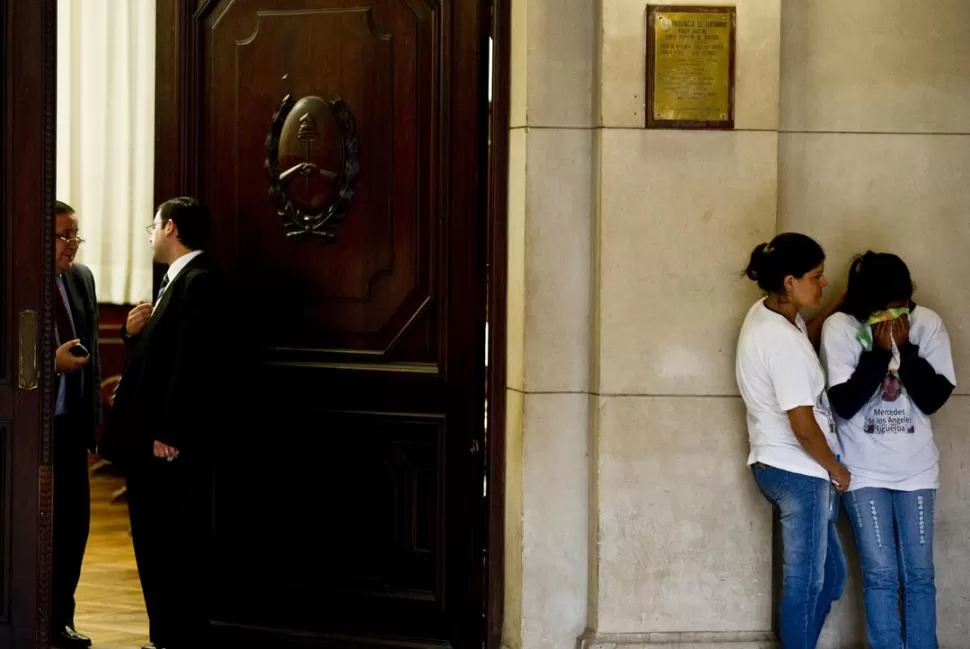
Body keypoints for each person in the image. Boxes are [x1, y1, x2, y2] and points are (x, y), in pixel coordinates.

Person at [101, 197, 226, 649]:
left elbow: (192, 366)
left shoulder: (199, 283)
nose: (150, 233)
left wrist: (169, 432)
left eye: (153, 225)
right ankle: (164, 636)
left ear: (170, 227)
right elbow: (163, 358)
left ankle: (172, 638)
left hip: (167, 446)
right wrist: (133, 334)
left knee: (167, 546)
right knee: (154, 543)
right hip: (153, 442)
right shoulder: (178, 282)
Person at [820, 252, 955, 649]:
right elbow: (843, 404)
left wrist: (906, 350)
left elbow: (932, 398)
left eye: (902, 303)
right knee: (880, 574)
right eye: (885, 306)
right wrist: (879, 355)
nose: (895, 313)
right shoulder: (840, 328)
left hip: (917, 469)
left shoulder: (927, 323)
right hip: (863, 471)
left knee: (919, 575)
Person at [735, 233, 849, 649]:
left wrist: (838, 303)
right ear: (789, 282)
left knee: (831, 578)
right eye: (817, 276)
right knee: (806, 582)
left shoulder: (774, 314)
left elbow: (805, 338)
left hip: (787, 465)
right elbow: (802, 425)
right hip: (798, 470)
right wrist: (836, 469)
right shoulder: (779, 340)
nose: (823, 283)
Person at [51, 200, 101, 649]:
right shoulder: (16, 275)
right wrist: (52, 364)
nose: (73, 245)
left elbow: (94, 357)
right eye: (64, 235)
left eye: (76, 235)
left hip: (70, 427)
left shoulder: (81, 278)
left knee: (73, 528)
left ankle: (60, 620)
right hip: (30, 430)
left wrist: (94, 431)